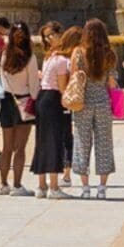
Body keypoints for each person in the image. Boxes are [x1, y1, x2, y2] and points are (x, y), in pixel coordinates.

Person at [71, 19, 118, 192]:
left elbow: (74, 77)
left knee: (82, 142)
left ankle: (85, 187)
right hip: (103, 102)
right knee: (104, 143)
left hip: (83, 102)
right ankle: (102, 186)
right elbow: (112, 83)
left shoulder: (78, 53)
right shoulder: (110, 54)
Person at [28, 24, 74, 194]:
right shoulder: (61, 60)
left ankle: (42, 185)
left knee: (42, 140)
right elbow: (62, 88)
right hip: (53, 99)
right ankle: (53, 186)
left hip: (42, 97)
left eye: (50, 35)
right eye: (47, 36)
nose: (49, 39)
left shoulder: (49, 58)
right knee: (55, 141)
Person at [0, 20, 31, 195]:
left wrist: (1, 84)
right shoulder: (29, 56)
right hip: (25, 100)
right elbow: (34, 85)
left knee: (6, 147)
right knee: (20, 148)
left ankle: (3, 184)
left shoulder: (0, 55)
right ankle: (17, 185)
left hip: (6, 100)